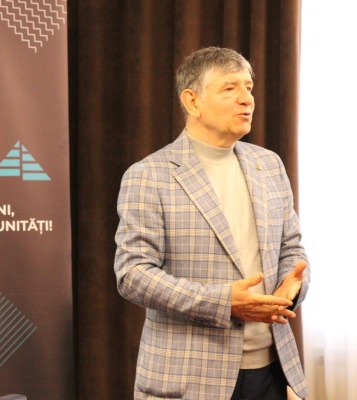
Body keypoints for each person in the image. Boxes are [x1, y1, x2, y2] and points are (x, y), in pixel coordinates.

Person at [114, 47, 310, 400]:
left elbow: (291, 248)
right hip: (191, 378)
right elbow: (133, 274)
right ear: (192, 101)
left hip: (273, 371)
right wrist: (222, 302)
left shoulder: (269, 165)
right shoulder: (149, 175)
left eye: (248, 87)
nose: (246, 99)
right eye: (230, 88)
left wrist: (290, 288)